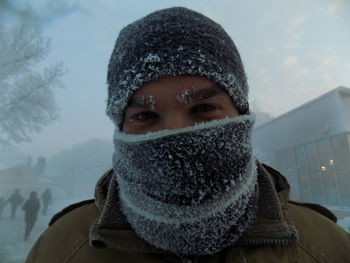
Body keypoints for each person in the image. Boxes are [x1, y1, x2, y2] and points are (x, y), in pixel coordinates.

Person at [25, 7, 350, 262]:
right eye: (145, 115)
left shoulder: (330, 247)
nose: (175, 134)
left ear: (242, 114)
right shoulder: (60, 250)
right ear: (120, 127)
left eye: (205, 109)